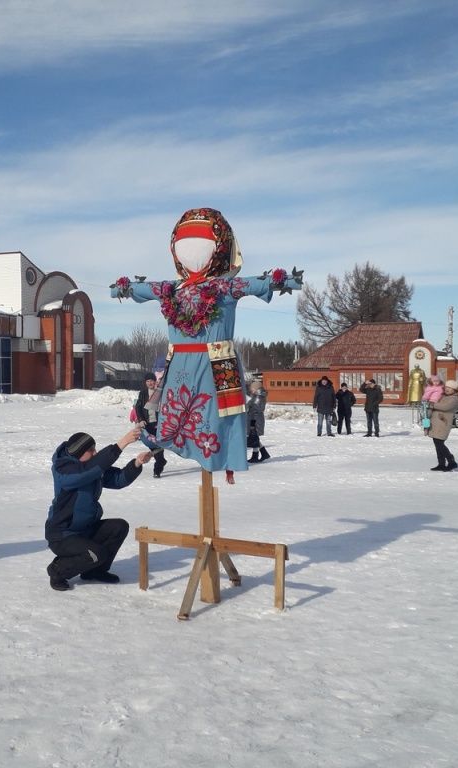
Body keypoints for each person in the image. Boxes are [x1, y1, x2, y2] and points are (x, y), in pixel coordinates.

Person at [109, 207, 301, 484]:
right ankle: (172, 440)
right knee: (184, 408)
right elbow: (137, 289)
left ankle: (215, 453)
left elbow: (259, 283)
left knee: (219, 412)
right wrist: (122, 288)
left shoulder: (216, 288)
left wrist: (283, 280)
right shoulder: (178, 289)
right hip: (193, 360)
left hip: (212, 360)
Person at [45, 426, 152, 591]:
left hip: (85, 530)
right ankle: (57, 570)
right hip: (62, 534)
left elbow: (118, 479)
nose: (95, 453)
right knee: (96, 553)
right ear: (78, 452)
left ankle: (94, 571)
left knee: (119, 527)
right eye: (91, 450)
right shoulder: (64, 469)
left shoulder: (92, 468)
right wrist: (122, 443)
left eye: (95, 449)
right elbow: (85, 472)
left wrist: (137, 463)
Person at [133, 373, 166, 478]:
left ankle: (158, 469)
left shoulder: (160, 392)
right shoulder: (143, 393)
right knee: (153, 445)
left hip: (158, 423)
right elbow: (138, 407)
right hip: (147, 423)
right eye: (147, 381)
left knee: (158, 445)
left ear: (155, 381)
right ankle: (161, 461)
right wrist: (141, 420)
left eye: (151, 380)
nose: (150, 383)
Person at [428, 379, 458, 471]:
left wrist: (432, 405)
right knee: (437, 443)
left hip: (443, 424)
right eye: (446, 387)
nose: (447, 389)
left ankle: (451, 461)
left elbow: (445, 407)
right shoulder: (442, 396)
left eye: (450, 388)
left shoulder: (454, 399)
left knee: (439, 443)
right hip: (435, 423)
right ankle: (441, 464)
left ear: (455, 390)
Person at [246, 380, 269, 463]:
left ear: (256, 389)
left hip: (255, 420)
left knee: (254, 438)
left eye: (252, 388)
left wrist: (252, 424)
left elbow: (255, 409)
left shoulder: (258, 397)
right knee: (254, 438)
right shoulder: (257, 396)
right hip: (255, 419)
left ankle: (257, 455)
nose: (251, 390)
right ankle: (261, 454)